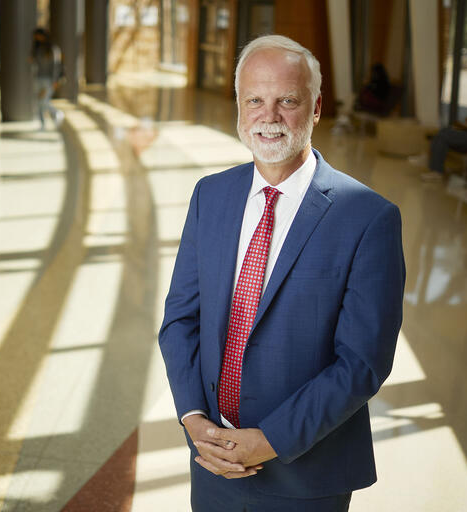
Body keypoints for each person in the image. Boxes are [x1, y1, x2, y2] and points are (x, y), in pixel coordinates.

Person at [158, 35, 405, 511]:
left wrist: (270, 440)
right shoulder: (210, 195)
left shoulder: (368, 217)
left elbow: (362, 362)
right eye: (254, 100)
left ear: (316, 108)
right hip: (213, 462)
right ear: (238, 106)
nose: (268, 117)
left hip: (307, 474)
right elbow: (180, 320)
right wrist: (193, 419)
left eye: (287, 101)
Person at [30, 28, 64, 130]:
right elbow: (35, 64)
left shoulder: (53, 49)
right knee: (39, 102)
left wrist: (55, 80)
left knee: (44, 101)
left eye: (38, 36)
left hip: (49, 80)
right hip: (38, 78)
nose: (37, 38)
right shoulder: (37, 49)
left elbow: (56, 66)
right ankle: (42, 124)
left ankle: (57, 113)